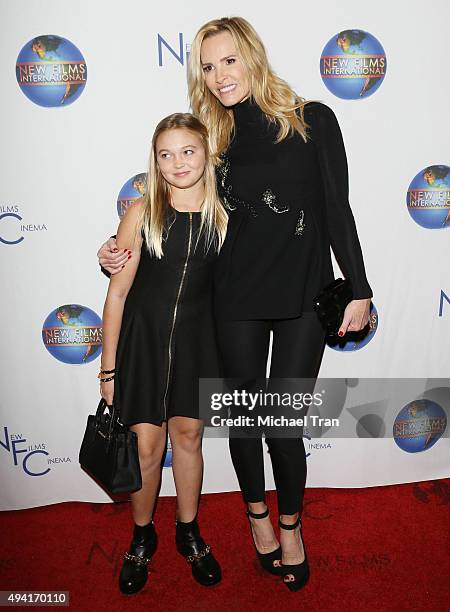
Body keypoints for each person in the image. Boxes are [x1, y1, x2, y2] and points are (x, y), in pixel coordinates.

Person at [98, 16, 373, 592]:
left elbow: (337, 209)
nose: (220, 75)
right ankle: (257, 521)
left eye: (229, 60)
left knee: (283, 424)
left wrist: (361, 286)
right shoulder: (213, 138)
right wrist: (120, 245)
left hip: (303, 295)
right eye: (207, 65)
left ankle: (292, 526)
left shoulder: (313, 120)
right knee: (248, 422)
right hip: (235, 299)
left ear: (252, 55)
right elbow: (173, 195)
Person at [100, 112, 227, 595]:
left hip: (200, 346)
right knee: (147, 448)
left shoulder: (224, 214)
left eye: (188, 151)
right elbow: (117, 295)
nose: (177, 163)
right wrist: (108, 368)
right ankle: (141, 536)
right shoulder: (141, 213)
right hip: (144, 346)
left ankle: (188, 531)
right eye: (165, 154)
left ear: (206, 152)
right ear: (154, 160)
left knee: (190, 439)